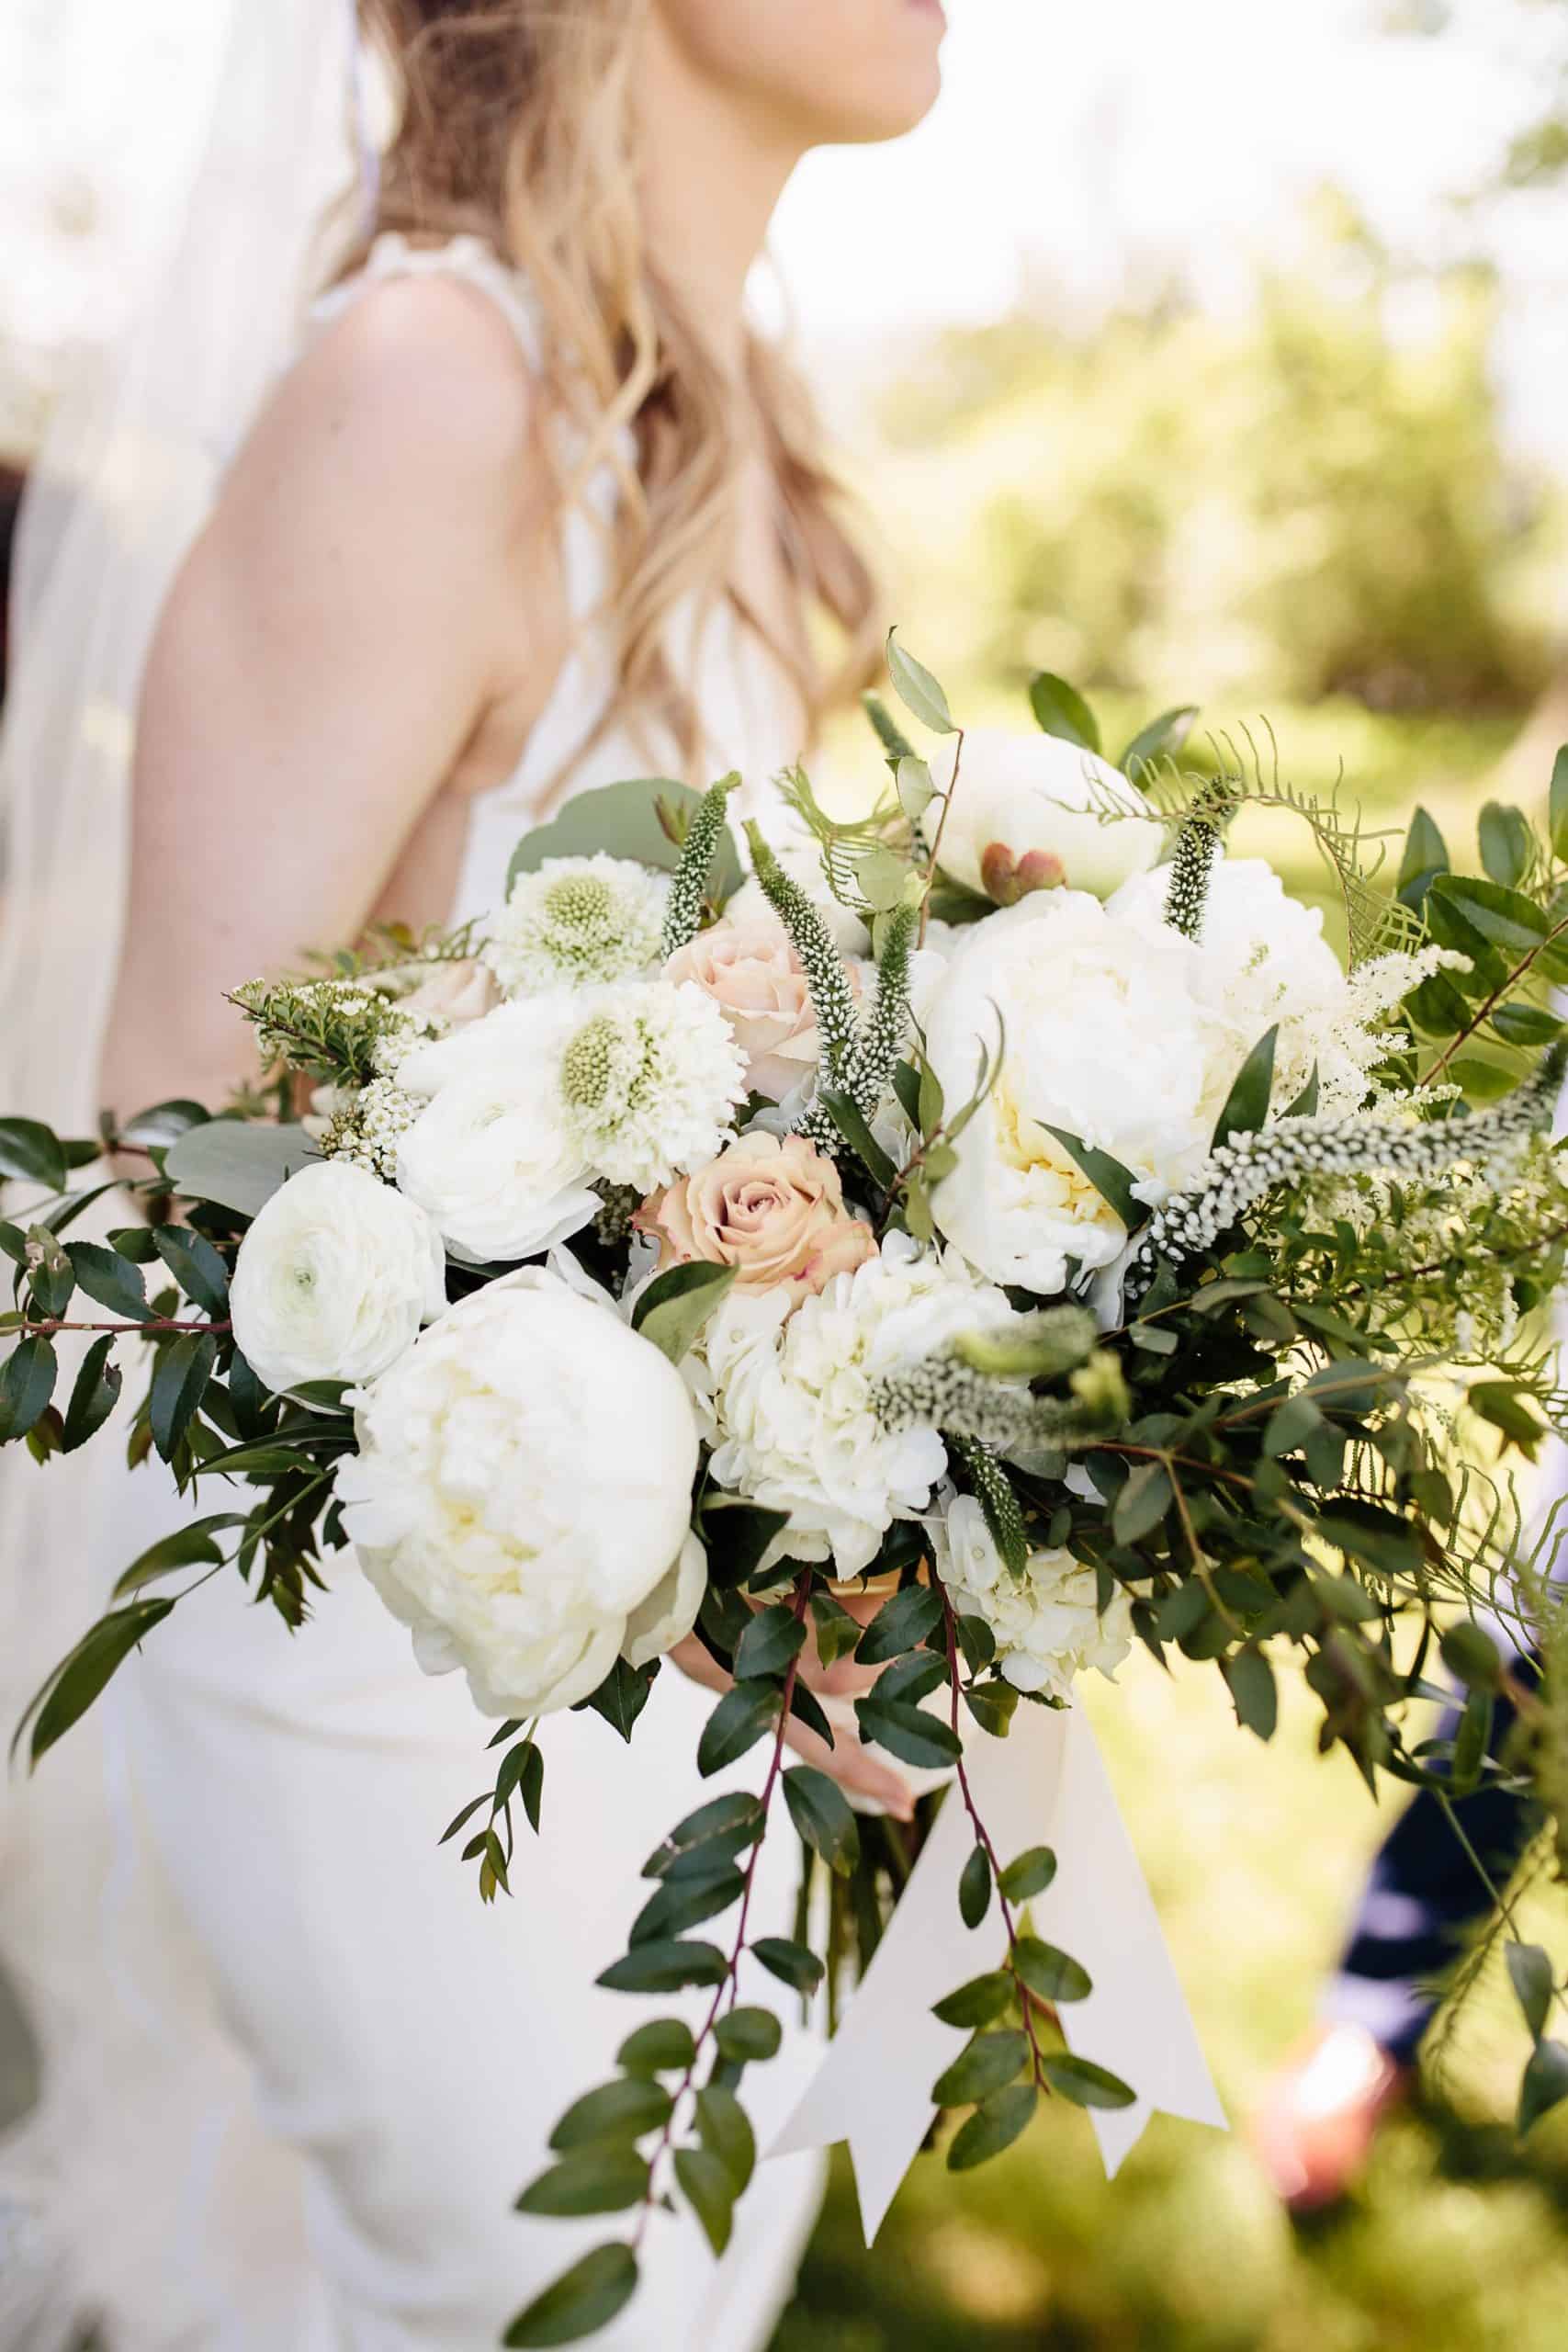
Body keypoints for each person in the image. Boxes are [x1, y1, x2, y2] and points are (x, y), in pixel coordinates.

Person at [0, 4, 948, 2345]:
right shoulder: (430, 394)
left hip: (671, 1675)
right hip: (400, 1675)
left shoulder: (701, 446)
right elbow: (168, 1145)